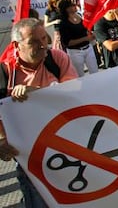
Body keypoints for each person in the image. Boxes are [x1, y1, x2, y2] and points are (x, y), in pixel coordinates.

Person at [0, 18, 78, 208]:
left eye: (44, 38)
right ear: (17, 45)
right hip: (30, 155)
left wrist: (37, 95)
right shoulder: (4, 72)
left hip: (66, 145)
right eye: (34, 42)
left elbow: (75, 94)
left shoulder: (57, 59)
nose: (43, 44)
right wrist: (1, 140)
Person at [58, 0, 98, 77]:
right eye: (72, 5)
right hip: (75, 52)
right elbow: (67, 42)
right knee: (79, 75)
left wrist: (90, 34)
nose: (75, 6)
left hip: (88, 48)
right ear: (66, 8)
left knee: (95, 72)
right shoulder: (63, 24)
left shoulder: (79, 15)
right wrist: (85, 38)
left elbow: (84, 29)